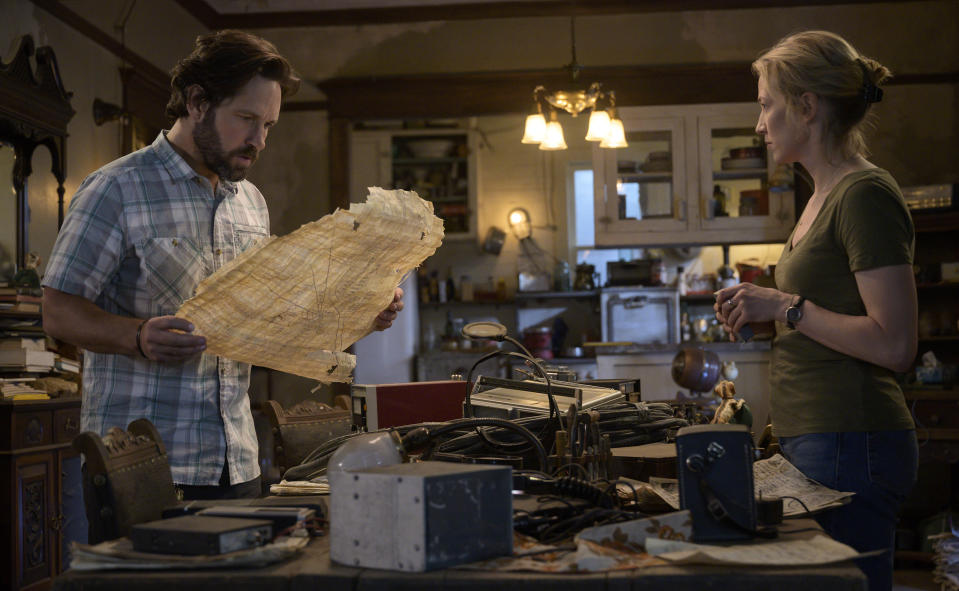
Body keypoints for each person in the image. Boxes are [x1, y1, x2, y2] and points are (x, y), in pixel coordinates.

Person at [42, 30, 404, 500]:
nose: (259, 140)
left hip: (237, 461)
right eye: (247, 119)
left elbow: (269, 322)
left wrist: (363, 313)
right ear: (196, 102)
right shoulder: (116, 188)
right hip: (143, 470)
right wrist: (135, 336)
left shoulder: (250, 202)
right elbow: (56, 310)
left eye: (269, 125)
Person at [714, 30, 917, 591]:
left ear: (806, 107)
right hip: (822, 440)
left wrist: (783, 304)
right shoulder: (820, 197)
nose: (759, 124)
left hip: (855, 442)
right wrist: (768, 311)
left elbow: (895, 345)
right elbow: (822, 315)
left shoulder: (864, 194)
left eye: (765, 105)